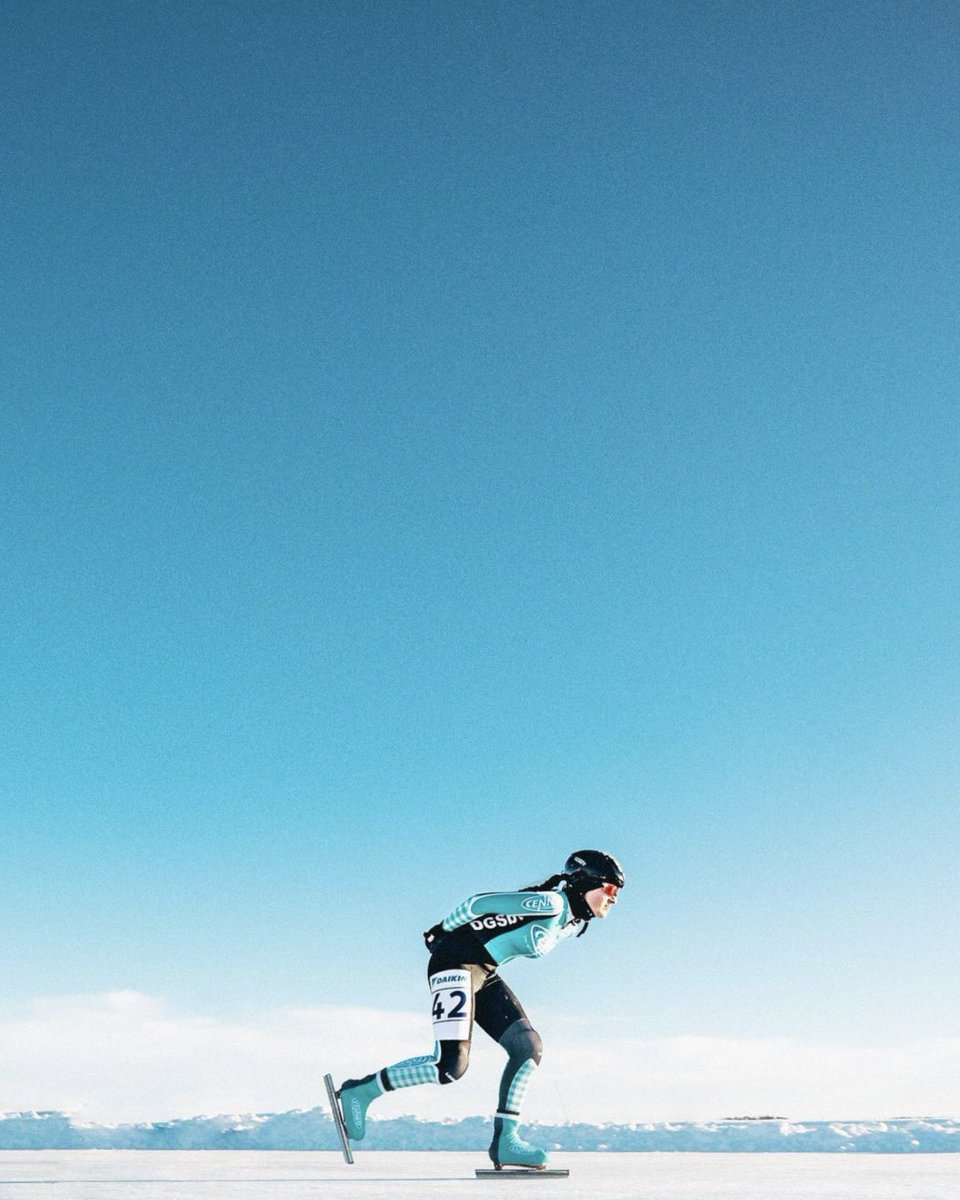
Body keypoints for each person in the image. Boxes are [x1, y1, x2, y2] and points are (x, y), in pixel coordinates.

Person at [335, 849, 625, 1171]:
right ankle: (360, 1092)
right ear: (585, 883)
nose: (614, 898)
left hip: (483, 970)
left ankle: (506, 1142)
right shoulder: (552, 903)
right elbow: (479, 904)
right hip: (453, 961)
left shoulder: (569, 922)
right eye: (611, 889)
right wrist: (442, 930)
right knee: (449, 1066)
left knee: (526, 1047)